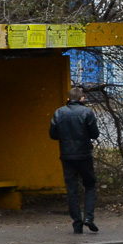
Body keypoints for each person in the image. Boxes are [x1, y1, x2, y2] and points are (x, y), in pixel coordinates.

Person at [49, 86, 101, 234]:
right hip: (84, 155)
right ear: (82, 99)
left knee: (72, 190)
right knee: (90, 185)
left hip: (66, 156)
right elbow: (95, 134)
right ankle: (89, 217)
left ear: (68, 99)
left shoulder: (59, 112)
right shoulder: (87, 112)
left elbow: (52, 134)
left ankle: (77, 223)